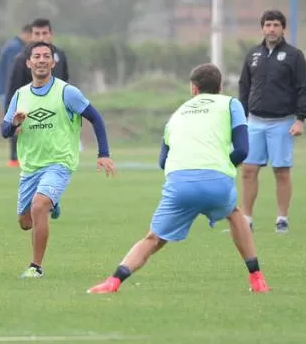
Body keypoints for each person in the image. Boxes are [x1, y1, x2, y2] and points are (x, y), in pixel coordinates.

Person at [87, 63, 270, 294]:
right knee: (234, 215)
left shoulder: (177, 114)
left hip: (179, 183)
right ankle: (257, 279)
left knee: (153, 239)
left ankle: (112, 282)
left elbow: (162, 161)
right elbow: (243, 150)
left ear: (193, 89)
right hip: (217, 182)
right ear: (220, 87)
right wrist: (222, 166)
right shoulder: (231, 103)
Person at [1, 41, 114, 278]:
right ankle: (53, 202)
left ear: (53, 62)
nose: (42, 60)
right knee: (25, 221)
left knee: (39, 205)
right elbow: (4, 131)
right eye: (37, 56)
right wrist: (14, 124)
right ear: (28, 63)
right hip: (31, 166)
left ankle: (36, 267)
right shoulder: (20, 95)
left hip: (60, 162)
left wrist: (103, 153)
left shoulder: (67, 92)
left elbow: (96, 118)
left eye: (46, 56)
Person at [238, 9, 306, 233]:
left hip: (282, 121)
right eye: (268, 25)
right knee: (248, 170)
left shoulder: (294, 55)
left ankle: (282, 218)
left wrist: (300, 119)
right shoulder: (253, 55)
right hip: (254, 121)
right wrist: (241, 118)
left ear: (283, 29)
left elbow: (304, 89)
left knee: (281, 170)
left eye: (276, 25)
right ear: (262, 28)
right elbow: (244, 87)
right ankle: (246, 219)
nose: (271, 29)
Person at [3, 18, 70, 168]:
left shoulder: (60, 55)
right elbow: (12, 92)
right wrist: (11, 120)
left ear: (51, 34)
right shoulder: (21, 60)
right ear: (31, 36)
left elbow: (65, 82)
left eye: (44, 33)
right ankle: (15, 158)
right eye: (37, 33)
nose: (41, 37)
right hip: (29, 114)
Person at [0, 23, 31, 104]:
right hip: (8, 91)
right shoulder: (15, 48)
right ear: (27, 34)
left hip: (7, 90)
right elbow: (13, 70)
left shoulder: (13, 45)